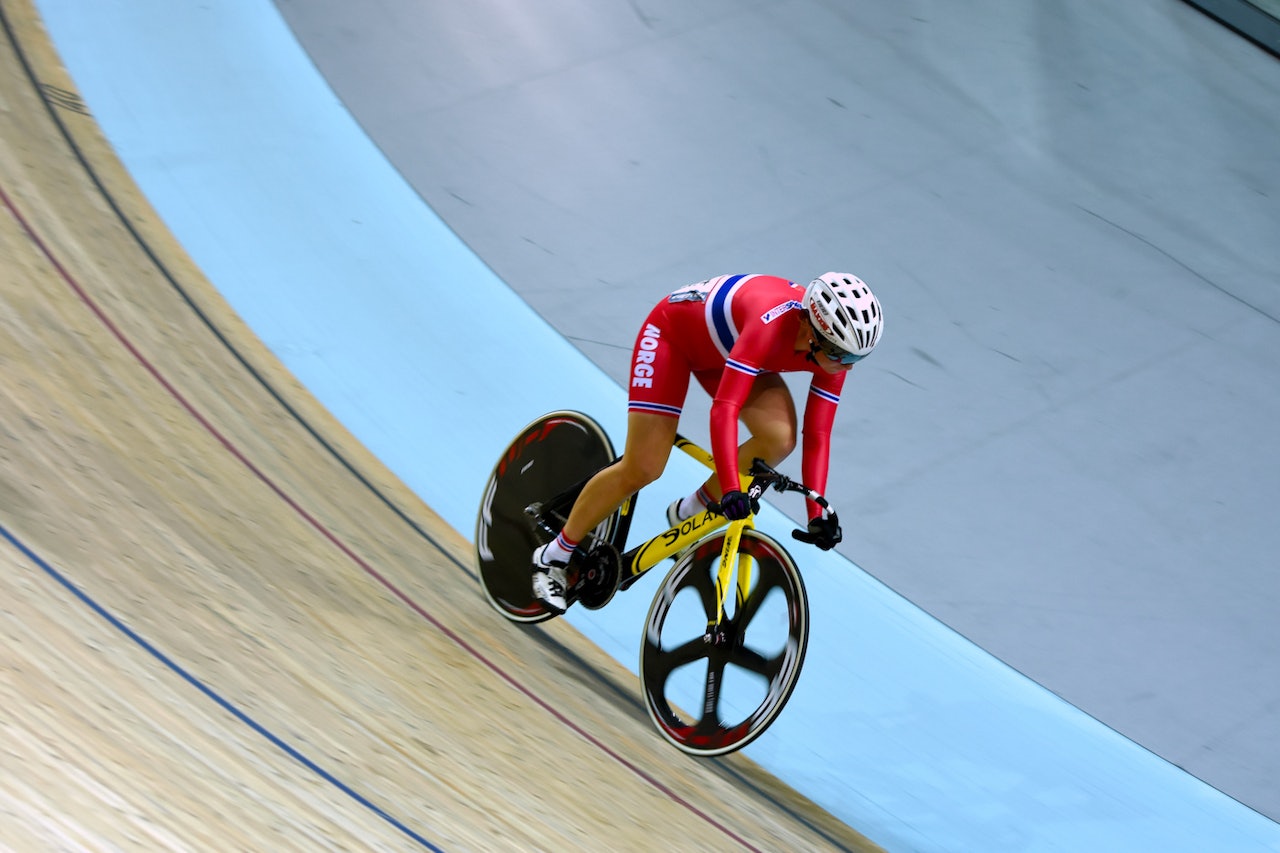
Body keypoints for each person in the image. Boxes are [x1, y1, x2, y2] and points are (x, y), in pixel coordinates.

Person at [531, 272, 883, 614]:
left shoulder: (831, 356)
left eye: (857, 358)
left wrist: (816, 515)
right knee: (644, 467)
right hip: (671, 339)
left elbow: (817, 435)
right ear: (814, 334)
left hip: (726, 354)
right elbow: (724, 411)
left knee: (779, 439)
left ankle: (689, 511)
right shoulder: (768, 324)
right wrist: (730, 488)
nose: (849, 367)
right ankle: (553, 556)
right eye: (844, 356)